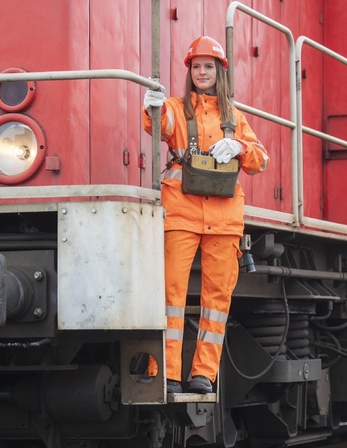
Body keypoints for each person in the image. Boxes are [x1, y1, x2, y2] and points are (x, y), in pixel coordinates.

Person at [142, 36, 269, 394]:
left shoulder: (235, 118)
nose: (202, 72)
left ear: (219, 72)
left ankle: (204, 375)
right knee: (171, 296)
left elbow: (260, 160)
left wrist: (240, 146)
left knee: (216, 301)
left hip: (224, 220)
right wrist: (151, 108)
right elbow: (159, 127)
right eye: (196, 67)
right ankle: (164, 372)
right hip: (181, 214)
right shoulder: (174, 108)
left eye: (208, 67)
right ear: (189, 71)